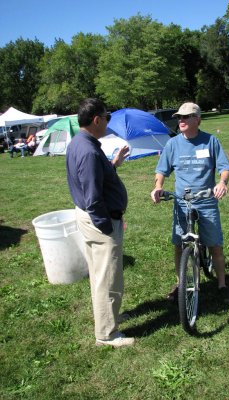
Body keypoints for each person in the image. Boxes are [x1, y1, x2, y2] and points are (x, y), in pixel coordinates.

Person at [66, 98, 135, 348]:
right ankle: (107, 333)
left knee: (99, 275)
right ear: (96, 120)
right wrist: (108, 226)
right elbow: (93, 198)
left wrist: (114, 164)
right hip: (100, 221)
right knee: (108, 277)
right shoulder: (88, 150)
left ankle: (108, 317)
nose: (108, 121)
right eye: (106, 117)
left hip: (90, 218)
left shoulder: (81, 143)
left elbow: (93, 182)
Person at [150, 102, 229, 303]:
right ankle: (180, 283)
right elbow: (161, 171)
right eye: (179, 117)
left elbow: (224, 167)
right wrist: (158, 186)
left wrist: (222, 182)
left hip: (206, 200)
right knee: (179, 244)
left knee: (215, 245)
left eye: (186, 117)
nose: (181, 121)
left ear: (197, 119)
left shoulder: (210, 141)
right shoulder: (173, 144)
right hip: (182, 202)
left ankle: (222, 284)